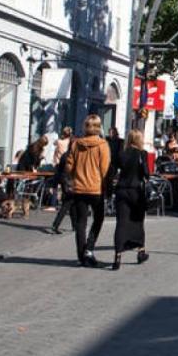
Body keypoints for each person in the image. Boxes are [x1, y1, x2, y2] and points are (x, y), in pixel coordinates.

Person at [67, 114, 110, 267]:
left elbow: (69, 166)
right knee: (98, 218)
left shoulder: (76, 144)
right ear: (98, 127)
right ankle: (89, 248)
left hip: (79, 188)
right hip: (95, 188)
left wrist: (75, 176)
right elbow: (105, 169)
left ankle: (81, 255)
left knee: (81, 222)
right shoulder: (102, 145)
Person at [112, 129, 151, 270]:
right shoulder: (142, 154)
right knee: (138, 221)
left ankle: (117, 256)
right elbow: (146, 173)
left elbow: (114, 171)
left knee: (121, 223)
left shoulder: (121, 154)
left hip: (122, 190)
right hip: (136, 191)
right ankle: (141, 251)